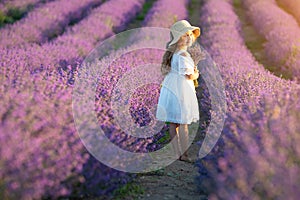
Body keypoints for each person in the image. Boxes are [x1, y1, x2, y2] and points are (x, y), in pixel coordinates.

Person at [156, 20, 200, 163]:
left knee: (173, 123)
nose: (188, 38)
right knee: (183, 123)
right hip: (181, 89)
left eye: (189, 35)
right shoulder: (183, 55)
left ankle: (177, 153)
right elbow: (189, 75)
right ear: (178, 38)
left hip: (171, 87)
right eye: (185, 35)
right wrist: (196, 75)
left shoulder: (173, 53)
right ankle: (185, 155)